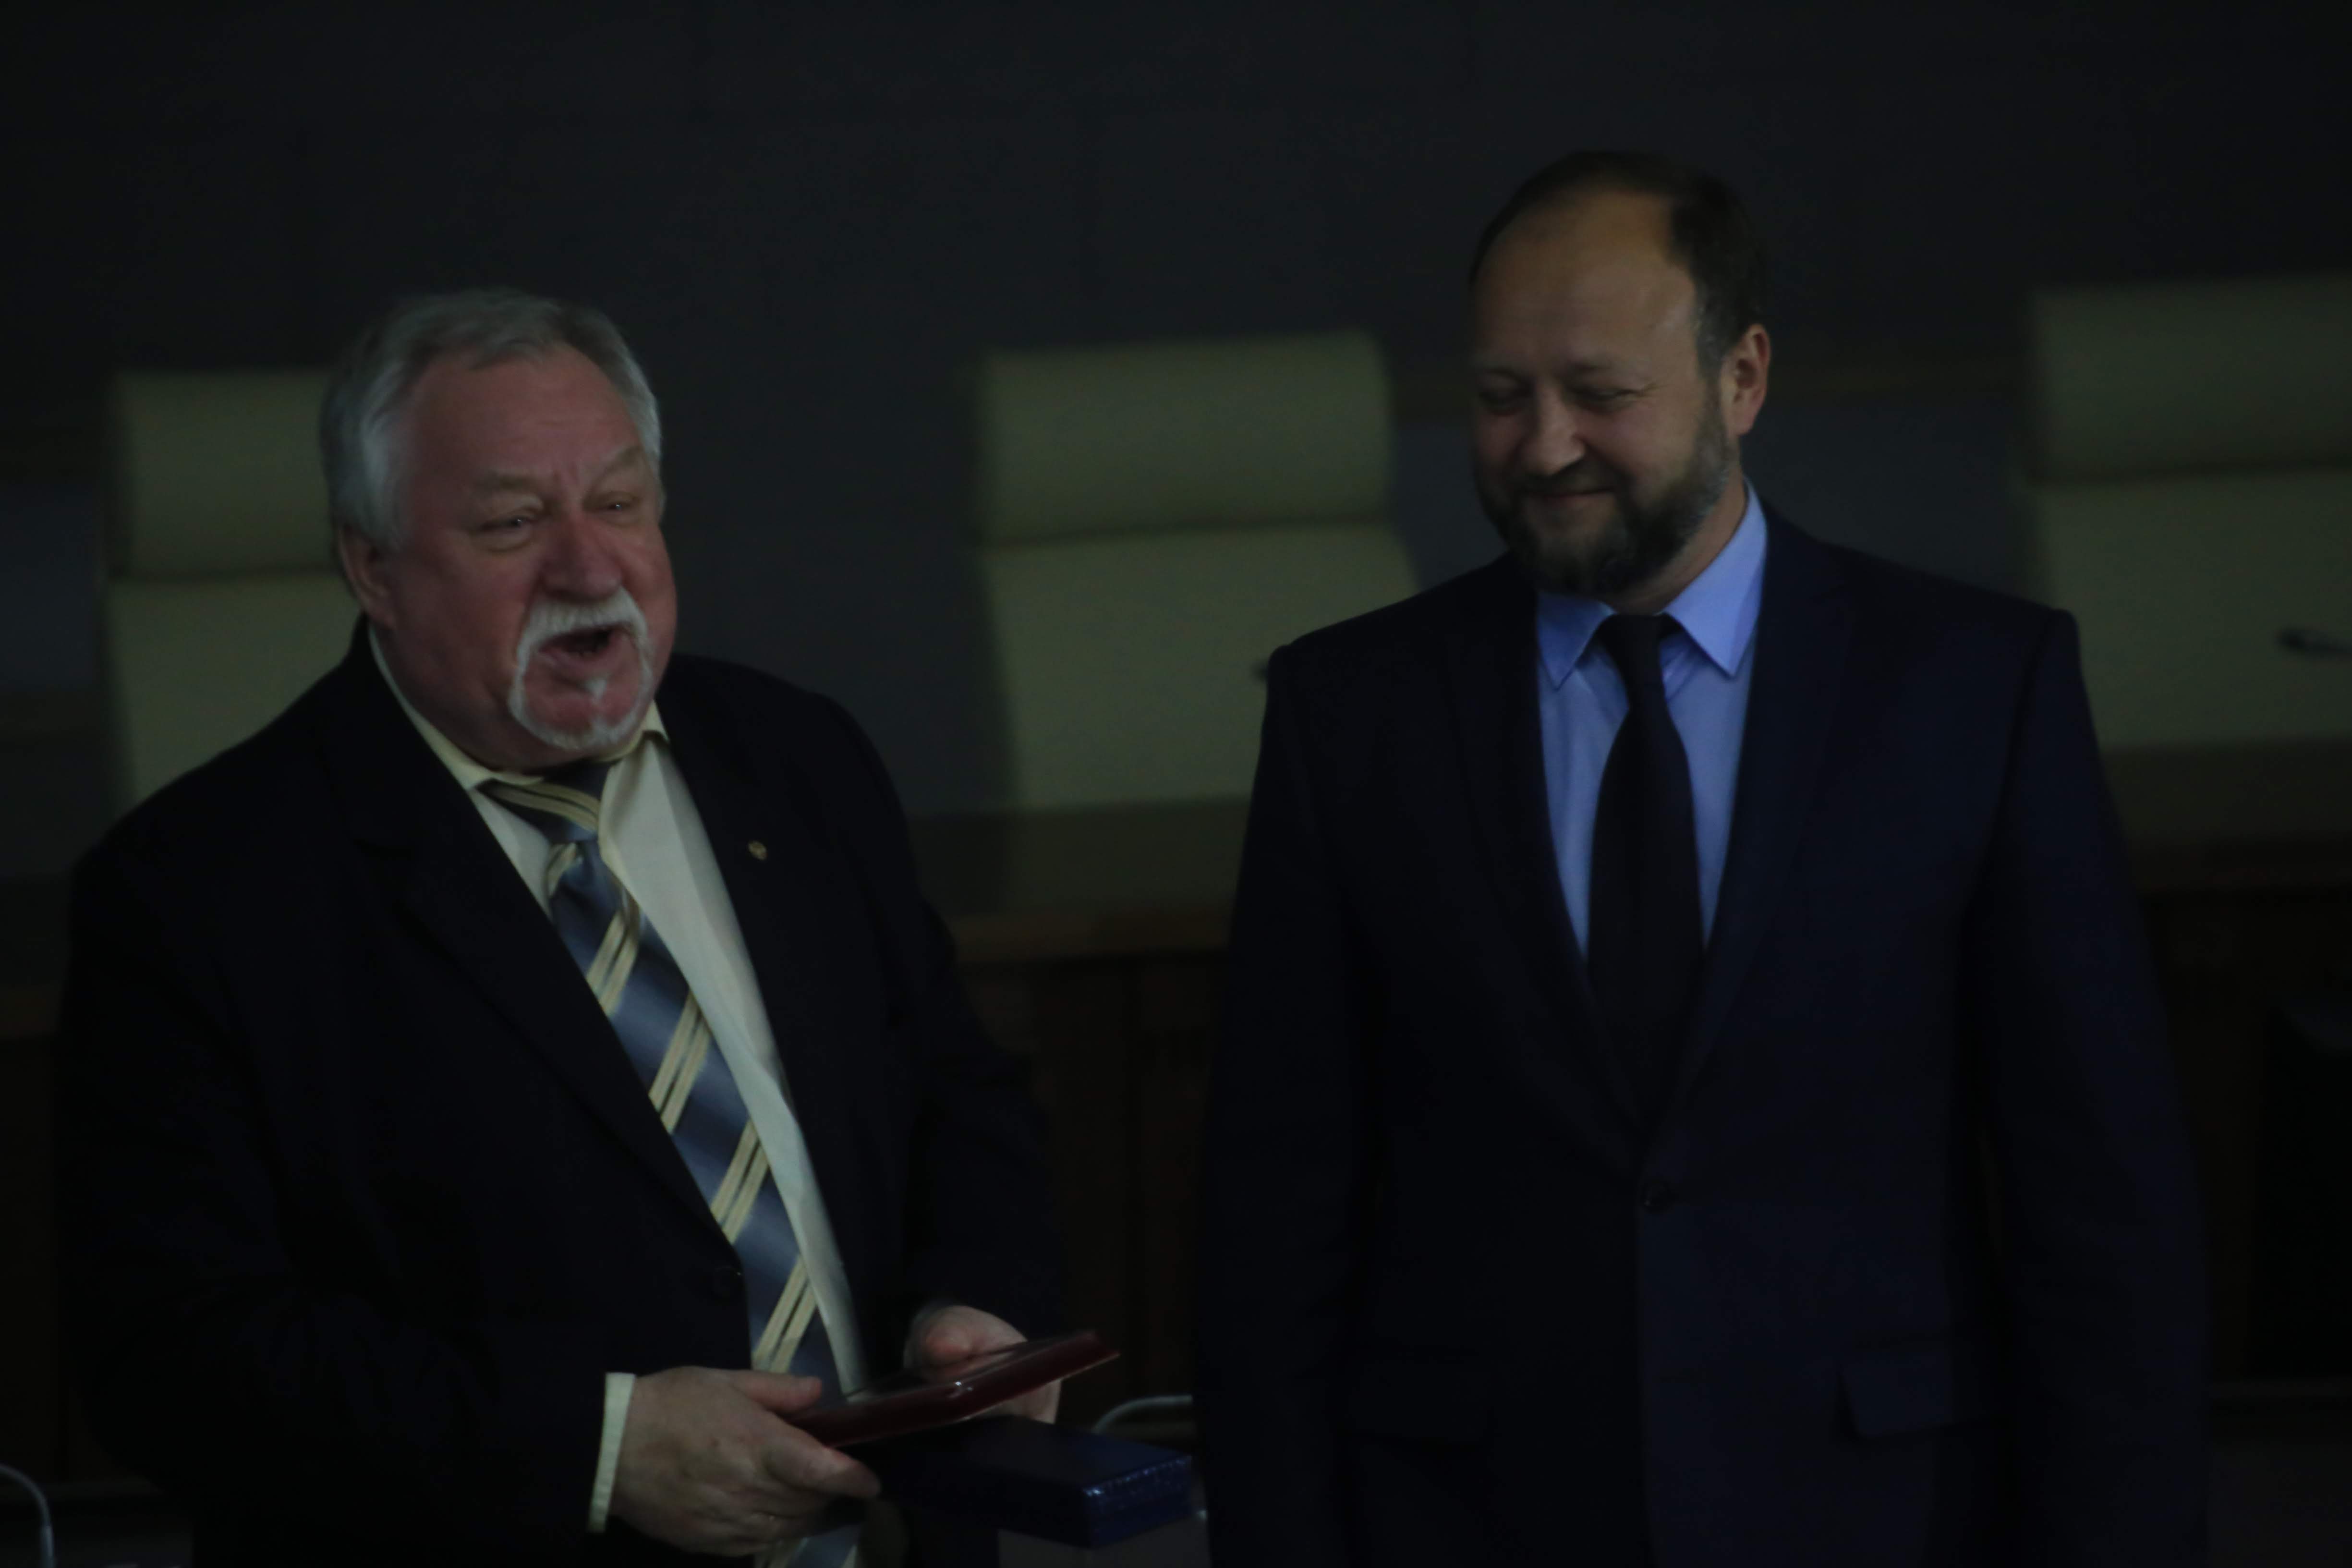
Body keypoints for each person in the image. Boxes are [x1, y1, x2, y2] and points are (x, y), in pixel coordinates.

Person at [1198, 151, 2206, 1565]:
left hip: (1876, 1512)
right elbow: (1274, 1205)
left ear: (1742, 379)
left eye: (1600, 394)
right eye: (1500, 396)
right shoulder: (1352, 710)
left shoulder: (1973, 688)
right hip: (1470, 1514)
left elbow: (2100, 1207)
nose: (1543, 446)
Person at [59, 290, 1063, 1566]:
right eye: (513, 523)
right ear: (372, 566)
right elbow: (173, 1357)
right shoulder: (199, 890)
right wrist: (595, 1448)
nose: (591, 569)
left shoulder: (796, 758)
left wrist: (977, 1299)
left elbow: (956, 1095)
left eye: (620, 502)